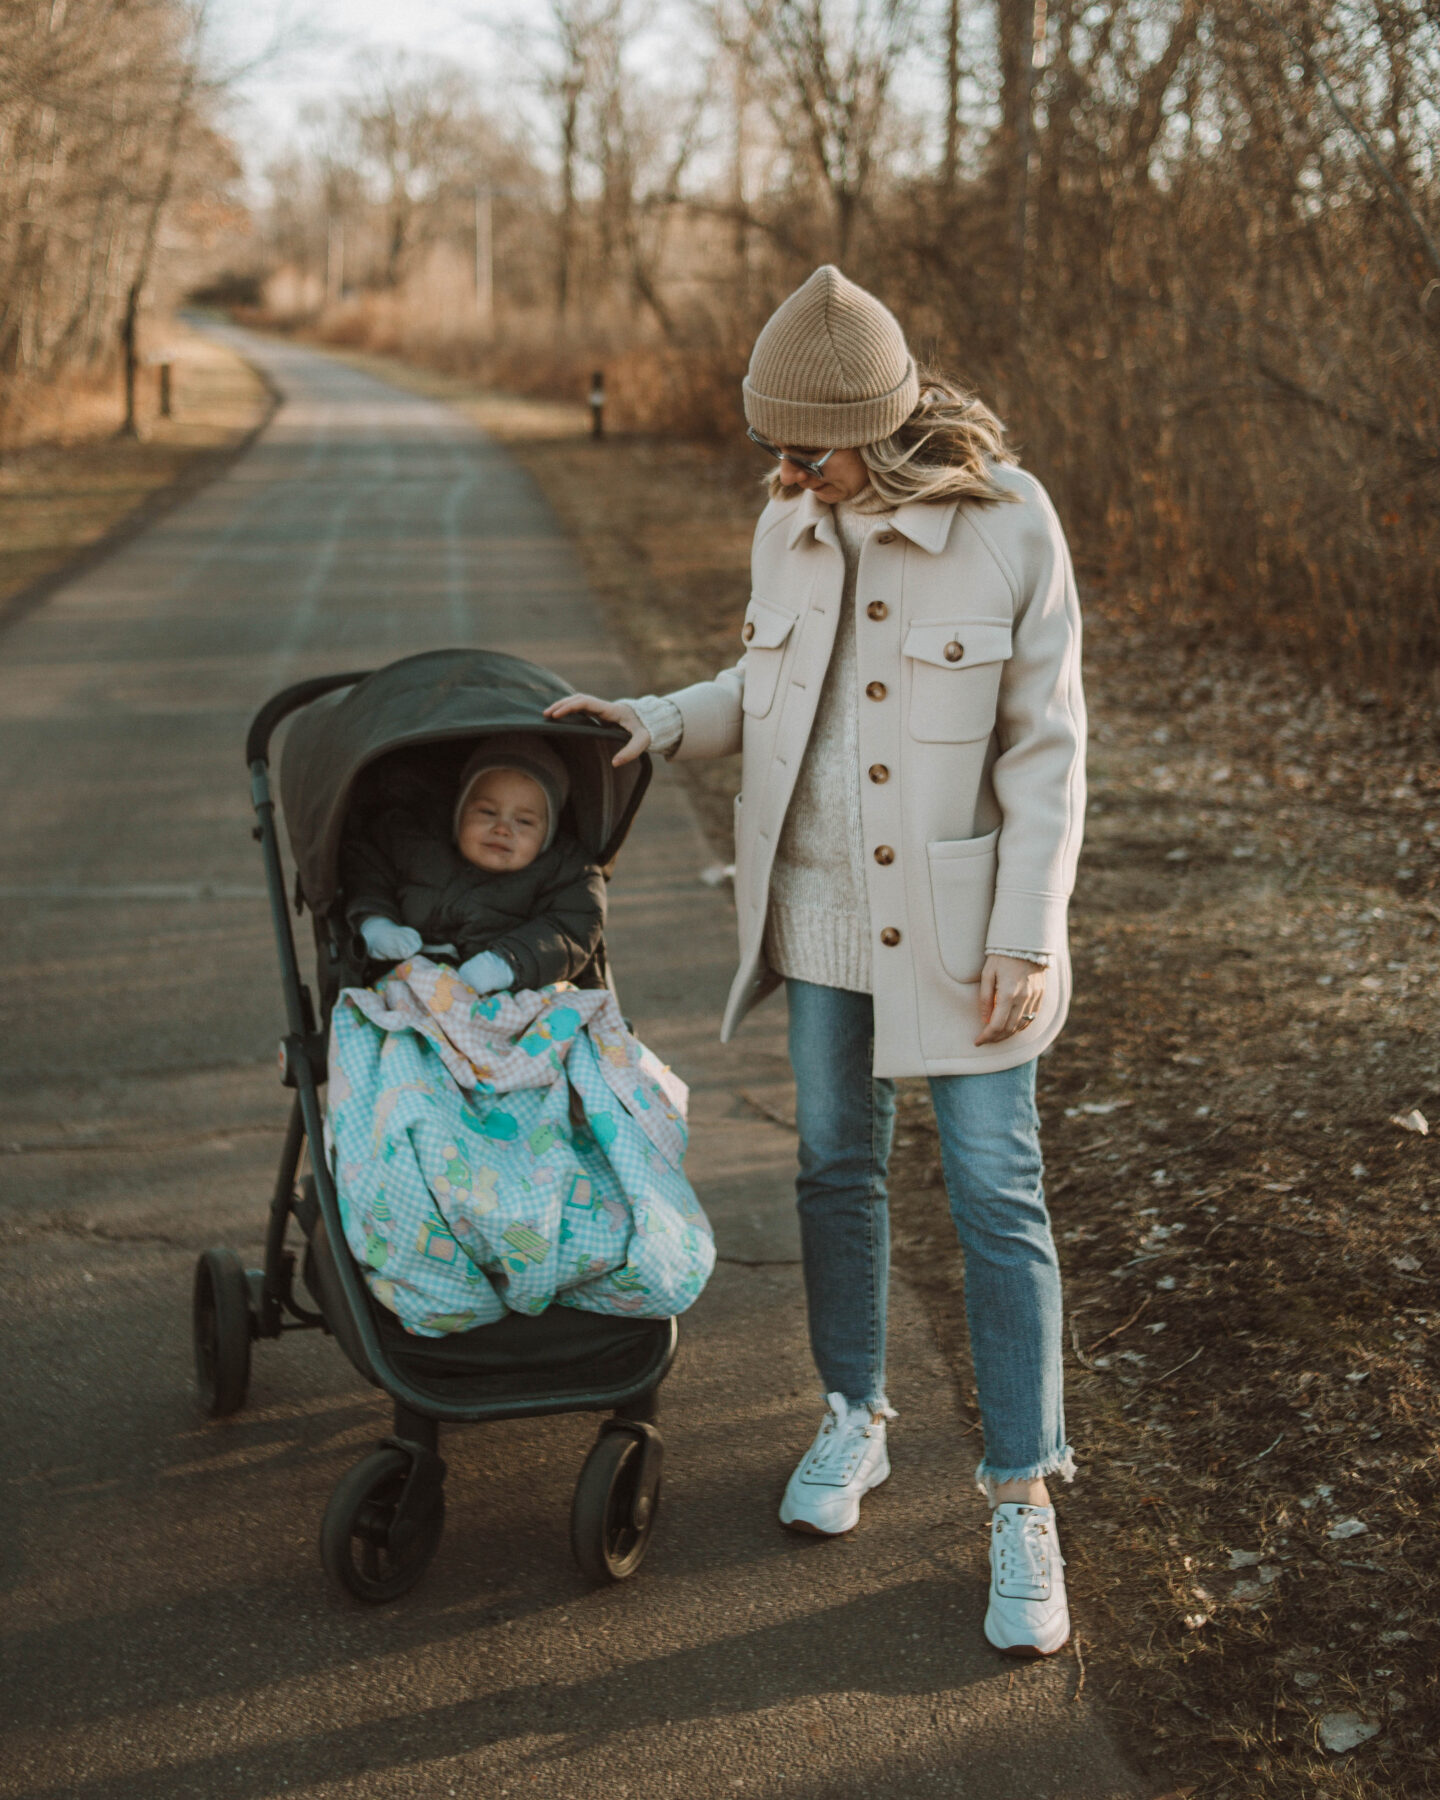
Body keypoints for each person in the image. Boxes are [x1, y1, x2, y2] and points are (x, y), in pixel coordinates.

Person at [547, 266, 1086, 1658]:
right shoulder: (787, 524)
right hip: (819, 914)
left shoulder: (1011, 525)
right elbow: (765, 688)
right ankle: (855, 1414)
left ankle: (1024, 1493)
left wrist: (1029, 929)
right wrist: (654, 719)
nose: (783, 471)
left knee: (994, 1197)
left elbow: (1049, 754)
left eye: (806, 447)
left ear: (881, 423)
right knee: (832, 1167)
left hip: (968, 932)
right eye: (770, 449)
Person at [339, 734, 605, 994]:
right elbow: (367, 870)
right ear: (459, 813)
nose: (502, 829)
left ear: (548, 834)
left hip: (513, 1001)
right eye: (487, 812)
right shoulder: (414, 841)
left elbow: (569, 929)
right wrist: (377, 924)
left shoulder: (566, 873)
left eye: (524, 821)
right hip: (409, 992)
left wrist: (508, 963)